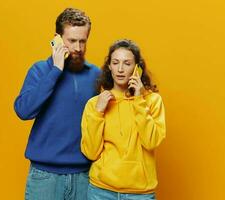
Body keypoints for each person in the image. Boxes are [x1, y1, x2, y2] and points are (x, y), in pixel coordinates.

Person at [14, 8, 101, 200]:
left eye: (83, 41)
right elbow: (23, 111)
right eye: (72, 41)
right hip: (44, 177)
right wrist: (55, 70)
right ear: (58, 39)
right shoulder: (40, 70)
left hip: (84, 176)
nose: (78, 48)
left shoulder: (96, 75)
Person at [81, 39, 166, 200]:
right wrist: (98, 112)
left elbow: (151, 141)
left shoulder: (152, 101)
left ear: (137, 68)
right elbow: (91, 152)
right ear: (109, 67)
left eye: (127, 63)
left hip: (140, 194)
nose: (120, 69)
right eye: (115, 63)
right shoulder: (95, 104)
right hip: (100, 191)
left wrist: (139, 100)